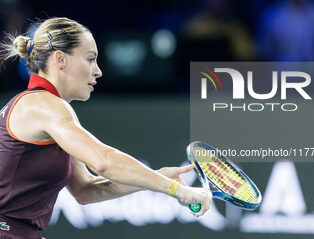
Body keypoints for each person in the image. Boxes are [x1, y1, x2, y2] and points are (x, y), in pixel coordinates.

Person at [0, 17, 212, 239]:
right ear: (60, 59)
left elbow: (86, 189)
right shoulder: (41, 105)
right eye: (90, 59)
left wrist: (156, 178)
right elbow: (104, 160)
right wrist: (176, 189)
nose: (98, 71)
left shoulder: (50, 112)